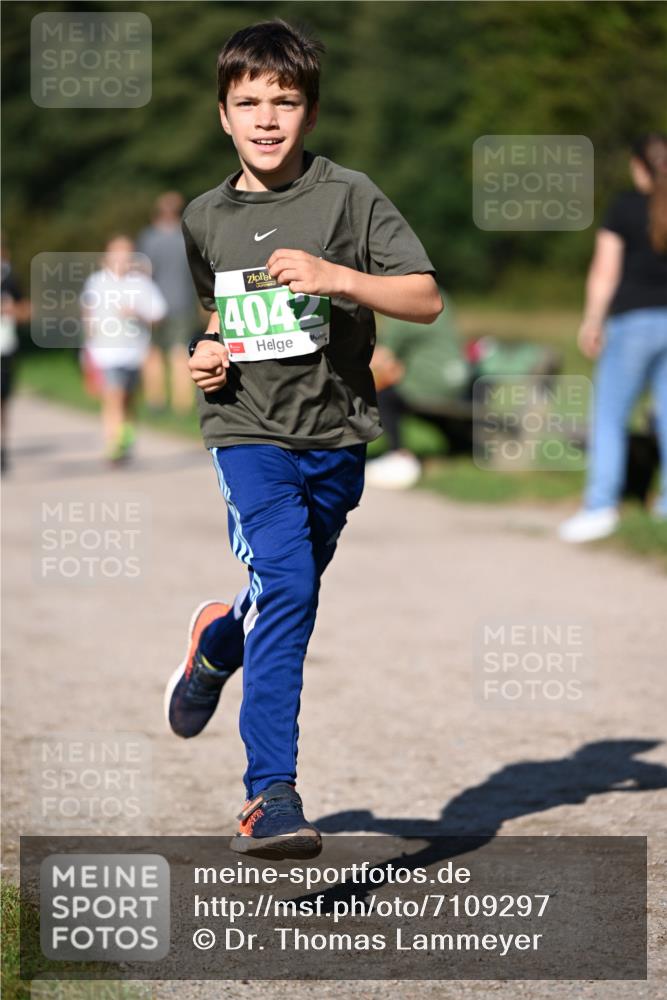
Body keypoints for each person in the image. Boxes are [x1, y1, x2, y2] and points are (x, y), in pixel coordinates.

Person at [163, 19, 442, 859]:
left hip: (337, 435)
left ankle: (216, 644)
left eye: (284, 102)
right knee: (290, 585)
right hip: (246, 432)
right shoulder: (205, 217)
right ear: (222, 115)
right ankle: (268, 797)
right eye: (248, 102)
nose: (266, 118)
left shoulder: (349, 196)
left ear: (309, 113)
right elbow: (214, 317)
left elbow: (424, 298)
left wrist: (336, 278)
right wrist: (203, 356)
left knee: (278, 595)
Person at [559, 134, 667, 543]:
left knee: (608, 418)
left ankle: (601, 505)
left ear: (639, 166)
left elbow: (605, 271)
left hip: (632, 324)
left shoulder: (624, 207)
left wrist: (592, 320)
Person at [366, 292, 466, 489]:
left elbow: (382, 356)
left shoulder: (401, 301)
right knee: (399, 389)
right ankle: (458, 444)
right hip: (457, 377)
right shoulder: (439, 293)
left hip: (432, 380)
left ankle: (397, 453)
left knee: (384, 395)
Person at [81, 235, 167, 463]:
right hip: (104, 351)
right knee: (113, 396)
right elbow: (88, 314)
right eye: (116, 253)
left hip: (135, 352)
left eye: (126, 254)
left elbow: (159, 315)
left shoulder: (141, 284)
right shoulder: (96, 282)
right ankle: (114, 442)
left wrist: (137, 313)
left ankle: (125, 435)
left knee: (127, 398)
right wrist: (86, 349)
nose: (121, 259)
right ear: (106, 257)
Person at [137, 192, 199, 415]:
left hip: (152, 306)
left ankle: (156, 401)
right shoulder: (187, 236)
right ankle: (182, 405)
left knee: (152, 353)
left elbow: (141, 273)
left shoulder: (148, 238)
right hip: (183, 302)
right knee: (180, 355)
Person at [1, 238, 30, 474]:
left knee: (2, 403)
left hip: (4, 348)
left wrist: (11, 311)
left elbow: (26, 312)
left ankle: (2, 448)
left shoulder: (10, 280)